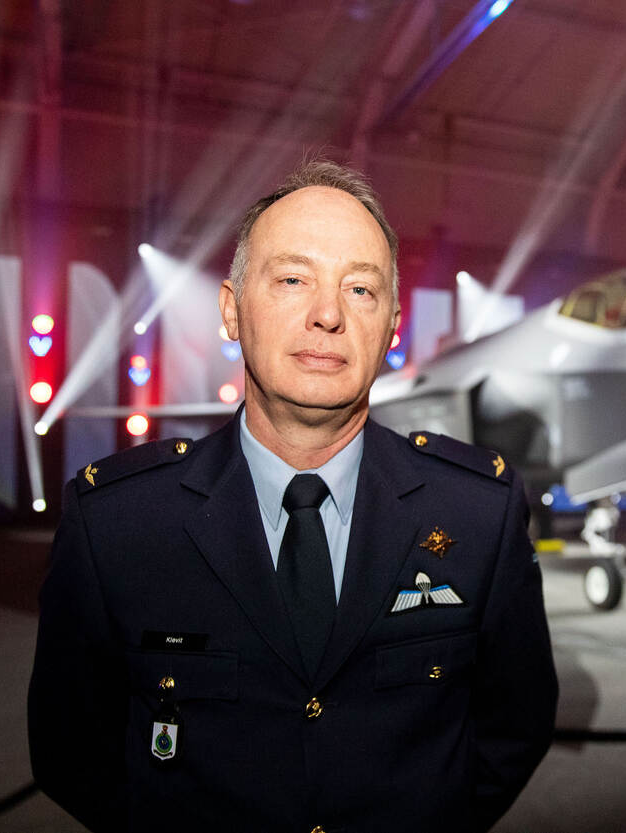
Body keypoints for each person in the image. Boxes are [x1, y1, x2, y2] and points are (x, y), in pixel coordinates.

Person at [28, 159, 558, 832]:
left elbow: (515, 725)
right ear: (231, 310)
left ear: (392, 325)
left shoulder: (478, 512)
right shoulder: (119, 522)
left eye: (360, 289)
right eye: (292, 279)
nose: (329, 314)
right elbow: (70, 748)